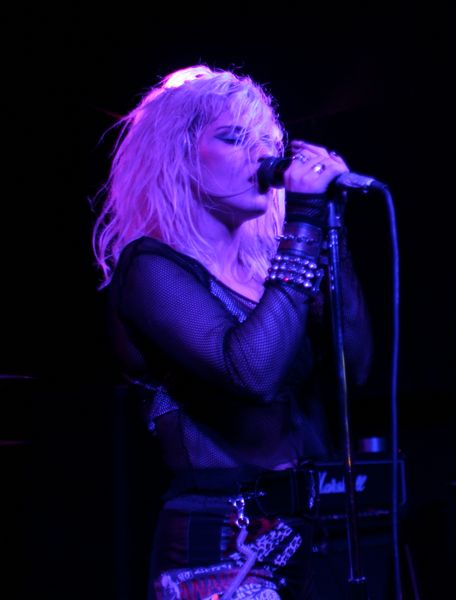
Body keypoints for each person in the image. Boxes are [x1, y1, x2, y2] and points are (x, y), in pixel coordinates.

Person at [92, 65, 373, 599]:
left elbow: (354, 366)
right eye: (234, 138)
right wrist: (303, 222)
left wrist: (328, 228)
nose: (262, 157)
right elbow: (252, 372)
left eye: (268, 142)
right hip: (222, 538)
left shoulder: (275, 272)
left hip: (310, 530)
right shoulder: (150, 268)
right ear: (179, 154)